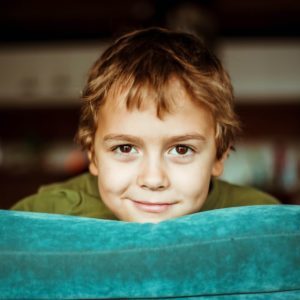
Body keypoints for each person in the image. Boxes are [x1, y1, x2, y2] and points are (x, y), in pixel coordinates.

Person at [11, 27, 279, 223]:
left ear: (219, 156)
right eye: (126, 148)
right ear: (92, 153)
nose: (153, 180)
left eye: (182, 150)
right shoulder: (42, 216)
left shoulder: (263, 221)